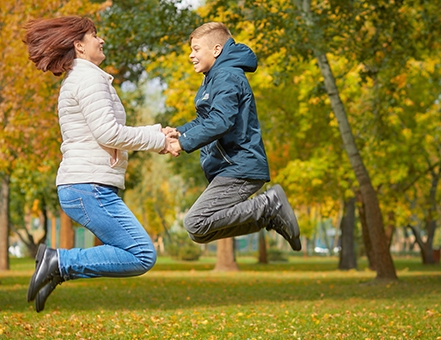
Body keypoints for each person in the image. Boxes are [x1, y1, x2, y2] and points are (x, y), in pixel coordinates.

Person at [22, 16, 180, 313]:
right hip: (87, 187)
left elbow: (107, 131)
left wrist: (157, 134)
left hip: (86, 186)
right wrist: (158, 140)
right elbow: (108, 132)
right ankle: (59, 263)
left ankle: (58, 267)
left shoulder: (84, 78)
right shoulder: (89, 78)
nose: (101, 40)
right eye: (95, 35)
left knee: (138, 252)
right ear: (79, 46)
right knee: (142, 253)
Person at [165, 22, 301, 251]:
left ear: (216, 49)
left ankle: (269, 205)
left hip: (239, 166)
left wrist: (183, 143)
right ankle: (266, 215)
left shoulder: (226, 76)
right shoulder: (215, 77)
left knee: (195, 223)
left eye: (196, 49)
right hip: (231, 166)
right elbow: (207, 119)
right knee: (200, 232)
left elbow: (220, 122)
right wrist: (180, 131)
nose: (191, 55)